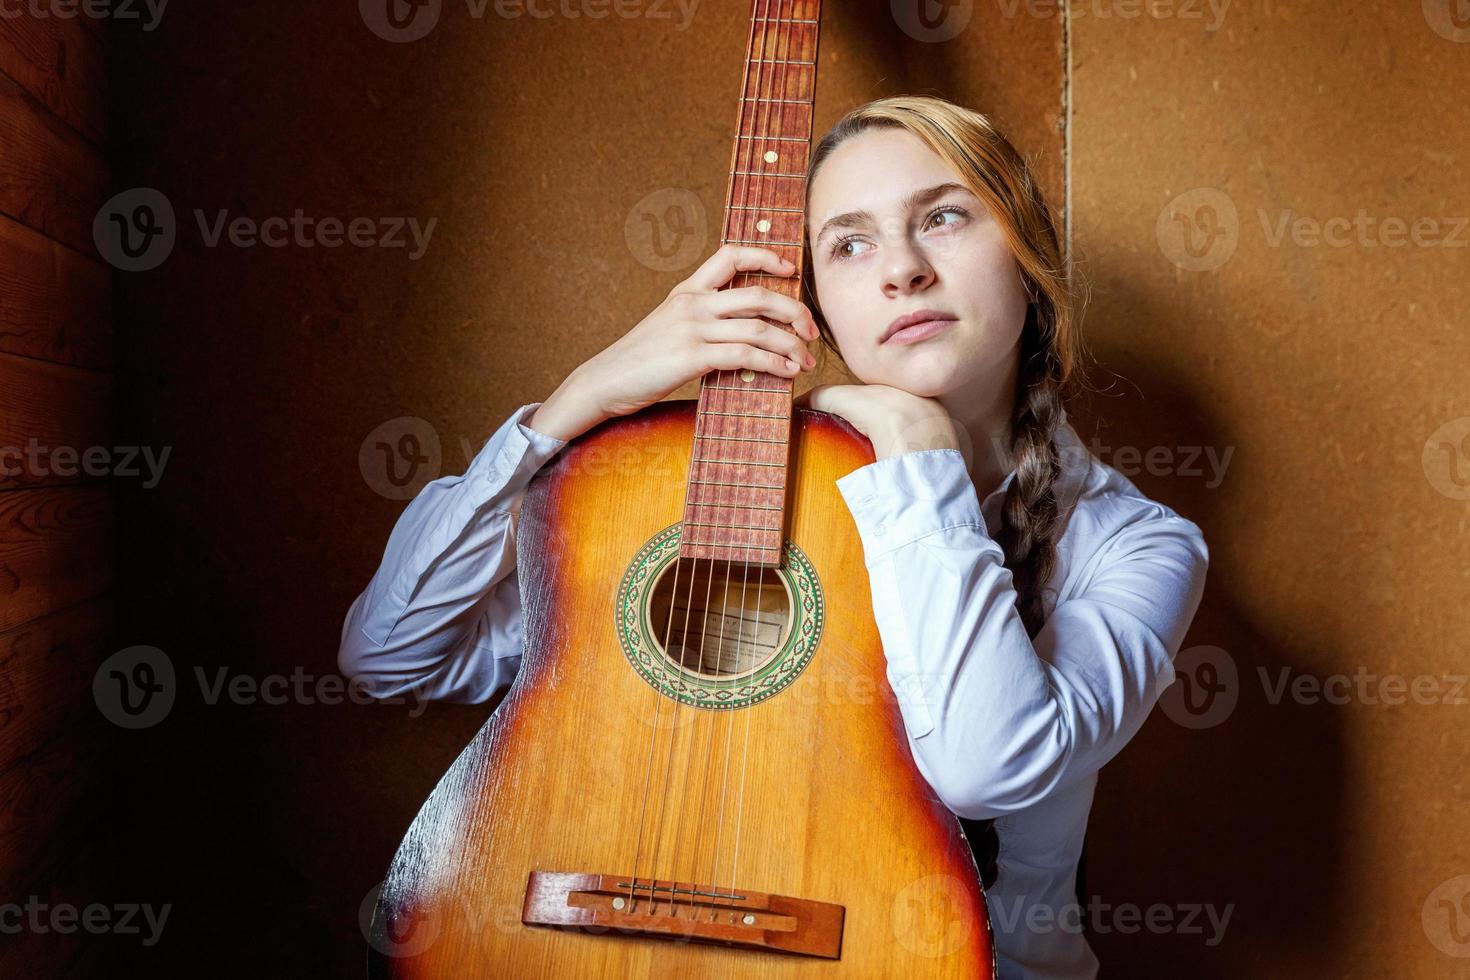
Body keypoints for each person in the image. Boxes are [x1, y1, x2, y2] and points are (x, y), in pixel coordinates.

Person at [338, 95, 1209, 980]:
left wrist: (916, 446)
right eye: (849, 243)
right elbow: (389, 655)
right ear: (819, 309)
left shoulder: (1138, 546)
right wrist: (573, 405)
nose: (901, 270)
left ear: (1028, 262)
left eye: (943, 217)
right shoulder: (693, 495)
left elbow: (986, 766)